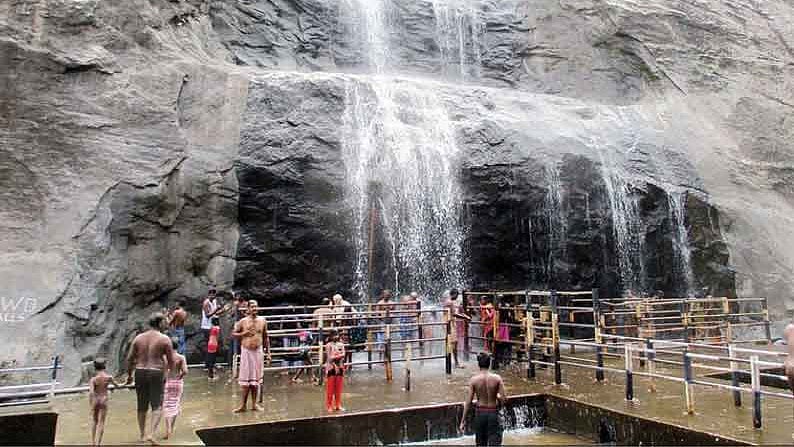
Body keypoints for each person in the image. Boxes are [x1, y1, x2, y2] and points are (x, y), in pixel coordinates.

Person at [126, 313, 175, 444]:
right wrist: (168, 374)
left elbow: (129, 358)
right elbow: (171, 361)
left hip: (140, 371)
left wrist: (129, 375)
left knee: (141, 405)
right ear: (160, 323)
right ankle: (152, 434)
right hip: (156, 372)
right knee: (157, 405)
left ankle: (142, 435)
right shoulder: (165, 339)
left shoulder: (138, 338)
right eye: (164, 321)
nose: (166, 324)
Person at [459, 353, 507, 446]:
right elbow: (504, 399)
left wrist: (463, 420)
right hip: (493, 412)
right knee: (495, 443)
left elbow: (468, 402)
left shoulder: (474, 380)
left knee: (481, 443)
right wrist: (497, 397)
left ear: (478, 364)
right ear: (489, 363)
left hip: (480, 413)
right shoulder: (497, 378)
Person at [232, 300, 270, 412]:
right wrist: (243, 334)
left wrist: (268, 353)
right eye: (252, 307)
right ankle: (243, 405)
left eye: (256, 306)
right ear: (248, 309)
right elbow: (233, 334)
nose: (254, 309)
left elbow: (266, 337)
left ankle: (254, 404)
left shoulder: (262, 320)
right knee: (246, 382)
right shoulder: (243, 321)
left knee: (256, 381)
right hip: (246, 352)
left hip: (258, 351)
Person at [89, 358, 118, 446]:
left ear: (95, 367)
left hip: (96, 399)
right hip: (104, 399)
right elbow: (117, 385)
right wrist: (125, 383)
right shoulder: (109, 377)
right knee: (102, 422)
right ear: (104, 366)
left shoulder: (93, 379)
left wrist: (91, 404)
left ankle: (93, 442)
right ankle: (98, 443)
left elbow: (91, 392)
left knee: (95, 421)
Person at [162, 338, 187, 440]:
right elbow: (185, 371)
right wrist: (180, 377)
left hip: (168, 382)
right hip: (178, 383)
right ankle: (171, 428)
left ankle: (168, 429)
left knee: (166, 405)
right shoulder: (181, 357)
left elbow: (164, 372)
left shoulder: (165, 358)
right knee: (175, 404)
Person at [324, 329, 346, 412]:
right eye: (333, 335)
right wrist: (335, 362)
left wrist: (336, 356)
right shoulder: (328, 345)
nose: (335, 336)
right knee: (330, 388)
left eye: (336, 334)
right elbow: (329, 358)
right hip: (331, 367)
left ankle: (338, 405)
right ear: (330, 336)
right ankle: (329, 406)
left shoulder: (341, 344)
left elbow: (343, 354)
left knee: (338, 388)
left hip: (340, 367)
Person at [201, 289, 222, 365]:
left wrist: (223, 310)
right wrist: (216, 309)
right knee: (209, 345)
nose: (213, 296)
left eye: (214, 294)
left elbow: (215, 313)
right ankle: (208, 364)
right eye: (211, 294)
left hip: (213, 326)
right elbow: (207, 315)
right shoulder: (206, 303)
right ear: (208, 295)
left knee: (214, 345)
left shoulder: (214, 301)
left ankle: (212, 363)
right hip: (207, 327)